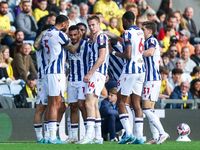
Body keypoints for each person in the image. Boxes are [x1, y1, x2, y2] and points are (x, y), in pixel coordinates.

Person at [34, 15, 82, 144]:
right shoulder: (60, 35)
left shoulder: (46, 35)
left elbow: (37, 46)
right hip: (57, 72)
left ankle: (50, 136)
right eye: (67, 25)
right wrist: (80, 40)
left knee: (51, 104)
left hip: (48, 72)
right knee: (55, 104)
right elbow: (72, 50)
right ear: (64, 23)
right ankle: (52, 137)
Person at [108, 11, 145, 144]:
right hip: (141, 70)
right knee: (136, 104)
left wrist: (113, 52)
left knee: (121, 101)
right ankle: (139, 137)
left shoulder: (128, 33)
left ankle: (128, 134)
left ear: (124, 20)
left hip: (130, 69)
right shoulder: (140, 32)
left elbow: (128, 55)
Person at [77, 15, 109, 144]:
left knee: (88, 103)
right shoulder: (95, 38)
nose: (91, 27)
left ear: (99, 24)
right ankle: (98, 137)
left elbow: (101, 57)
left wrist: (90, 73)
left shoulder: (101, 37)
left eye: (93, 25)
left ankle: (88, 135)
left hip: (96, 73)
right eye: (89, 25)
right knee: (94, 105)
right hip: (98, 73)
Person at [141, 21, 169, 144]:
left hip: (151, 79)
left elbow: (150, 52)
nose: (141, 31)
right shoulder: (147, 41)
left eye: (143, 29)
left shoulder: (151, 40)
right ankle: (156, 136)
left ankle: (162, 133)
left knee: (146, 109)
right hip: (152, 79)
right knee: (150, 109)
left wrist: (136, 53)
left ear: (149, 31)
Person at [65, 25, 89, 143]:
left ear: (80, 34)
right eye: (71, 35)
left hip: (82, 80)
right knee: (73, 107)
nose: (73, 37)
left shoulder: (87, 44)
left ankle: (87, 134)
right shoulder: (67, 46)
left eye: (75, 35)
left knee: (81, 105)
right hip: (71, 80)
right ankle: (73, 136)